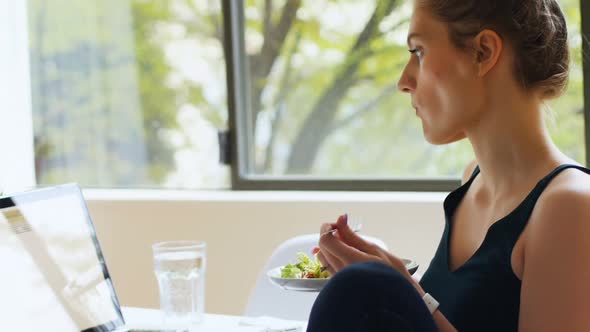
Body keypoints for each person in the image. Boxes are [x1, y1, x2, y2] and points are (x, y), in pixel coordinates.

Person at [307, 0, 590, 331]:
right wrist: (390, 275)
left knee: (360, 287)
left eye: (419, 52)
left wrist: (402, 291)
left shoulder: (570, 208)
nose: (404, 80)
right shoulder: (473, 179)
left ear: (483, 52)